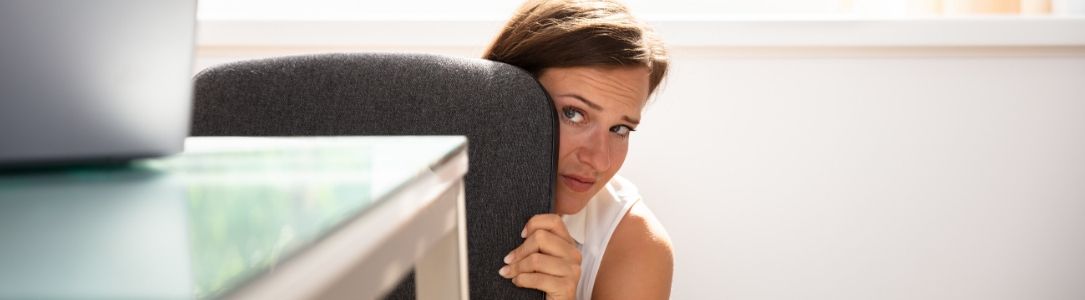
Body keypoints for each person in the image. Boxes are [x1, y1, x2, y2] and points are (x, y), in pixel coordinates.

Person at [484, 0, 673, 299]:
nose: (599, 159)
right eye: (573, 113)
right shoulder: (423, 190)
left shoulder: (635, 245)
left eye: (619, 129)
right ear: (506, 95)